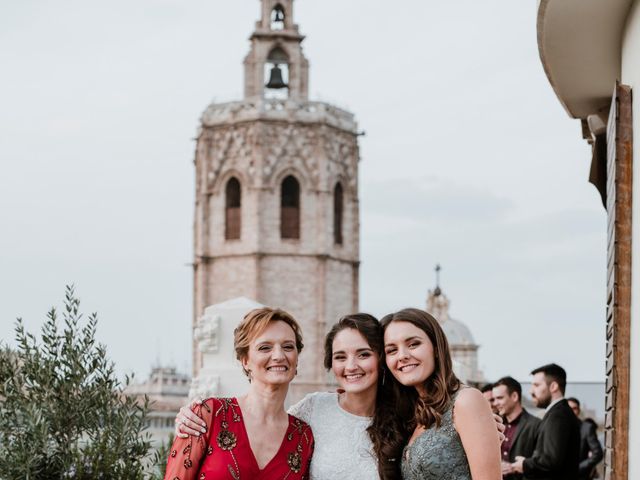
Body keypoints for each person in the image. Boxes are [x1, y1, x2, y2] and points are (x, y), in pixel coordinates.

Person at [175, 312, 505, 479]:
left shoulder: (406, 417)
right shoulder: (310, 413)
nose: (352, 366)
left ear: (381, 360)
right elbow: (266, 427)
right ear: (330, 365)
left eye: (364, 354)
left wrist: (486, 427)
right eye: (340, 357)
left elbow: (452, 437)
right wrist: (190, 416)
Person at [163, 307, 314, 480]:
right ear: (245, 361)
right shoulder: (208, 415)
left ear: (297, 359)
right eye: (265, 348)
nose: (279, 355)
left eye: (288, 347)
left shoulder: (303, 436)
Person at [381, 308, 501, 480]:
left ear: (436, 348)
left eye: (413, 344)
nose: (402, 356)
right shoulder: (412, 412)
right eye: (392, 350)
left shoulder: (467, 400)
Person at [511, 363, 580, 480]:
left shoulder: (558, 415)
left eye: (536, 385)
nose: (531, 392)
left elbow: (551, 460)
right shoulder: (557, 412)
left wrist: (524, 464)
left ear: (553, 386)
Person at [492, 376, 540, 479]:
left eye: (499, 398)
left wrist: (513, 467)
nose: (495, 403)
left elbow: (540, 461)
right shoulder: (494, 424)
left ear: (514, 396)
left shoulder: (536, 424)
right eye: (494, 399)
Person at [567, 397, 603, 480]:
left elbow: (597, 453)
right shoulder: (558, 428)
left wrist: (579, 468)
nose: (572, 411)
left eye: (574, 408)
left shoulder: (587, 428)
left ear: (579, 410)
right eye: (569, 408)